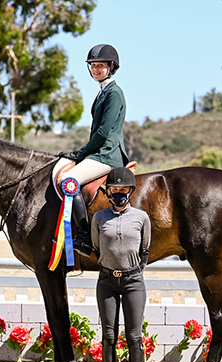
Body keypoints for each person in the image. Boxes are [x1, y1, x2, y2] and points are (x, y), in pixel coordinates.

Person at [59, 44, 129, 257]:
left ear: (111, 67)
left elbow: (103, 132)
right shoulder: (103, 92)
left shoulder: (114, 93)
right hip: (98, 152)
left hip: (108, 154)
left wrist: (80, 153)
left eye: (101, 65)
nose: (96, 69)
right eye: (93, 66)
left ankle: (85, 237)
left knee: (69, 180)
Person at [91, 167, 150, 362]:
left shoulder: (141, 218)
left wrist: (131, 271)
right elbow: (97, 247)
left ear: (130, 191)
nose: (118, 194)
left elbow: (145, 251)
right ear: (109, 192)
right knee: (108, 335)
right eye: (114, 190)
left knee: (134, 336)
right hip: (106, 281)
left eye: (123, 190)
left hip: (133, 281)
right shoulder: (99, 218)